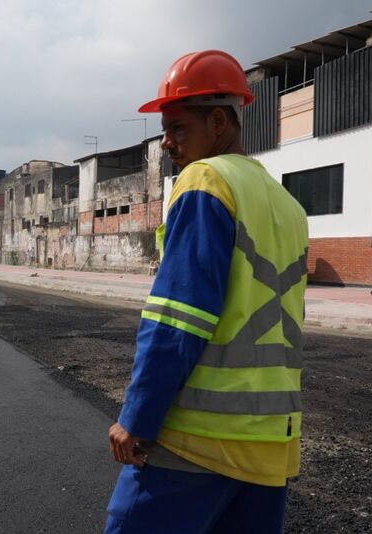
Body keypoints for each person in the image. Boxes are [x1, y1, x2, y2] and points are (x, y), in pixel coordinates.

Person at [105, 50, 309, 533]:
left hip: (198, 442)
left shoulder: (206, 181)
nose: (166, 143)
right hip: (269, 448)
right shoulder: (287, 204)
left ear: (218, 121)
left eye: (177, 127)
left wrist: (139, 417)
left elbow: (178, 317)